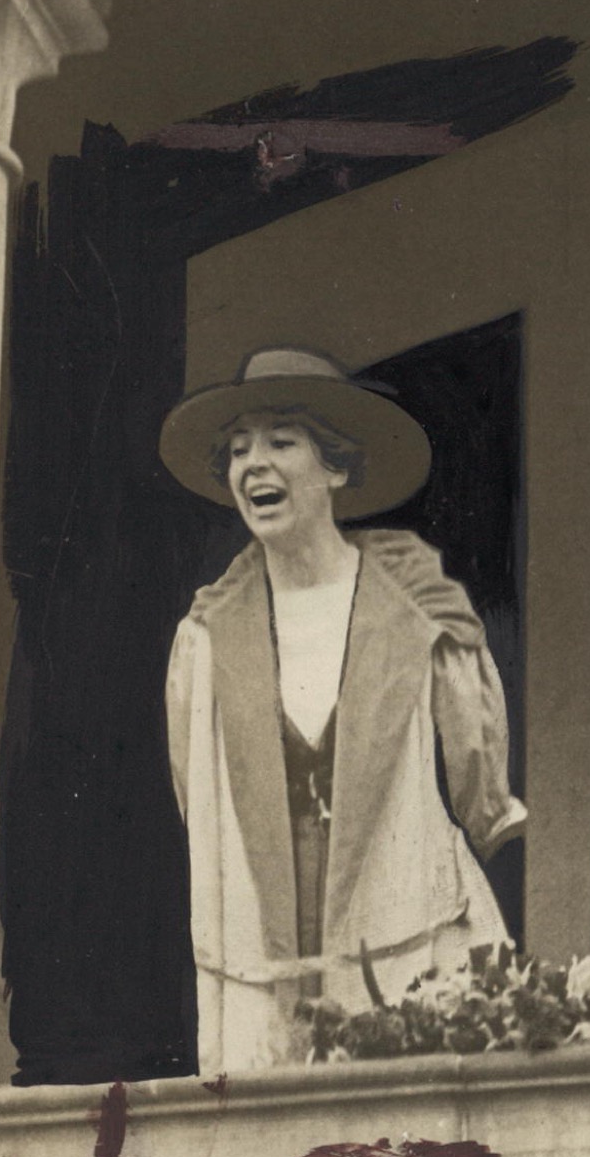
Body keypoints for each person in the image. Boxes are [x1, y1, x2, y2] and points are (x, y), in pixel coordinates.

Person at [160, 345, 527, 1073]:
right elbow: (195, 802)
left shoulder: (419, 611)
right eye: (238, 451)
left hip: (404, 928)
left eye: (281, 442)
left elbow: (479, 786)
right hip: (259, 959)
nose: (253, 465)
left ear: (335, 467)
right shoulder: (204, 639)